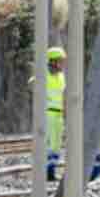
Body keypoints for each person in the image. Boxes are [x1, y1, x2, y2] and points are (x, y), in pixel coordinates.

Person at [44, 48, 67, 182]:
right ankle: (47, 172)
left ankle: (51, 171)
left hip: (58, 114)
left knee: (56, 145)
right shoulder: (43, 75)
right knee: (49, 145)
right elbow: (32, 83)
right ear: (52, 62)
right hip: (48, 113)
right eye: (60, 61)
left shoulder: (61, 76)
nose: (62, 64)